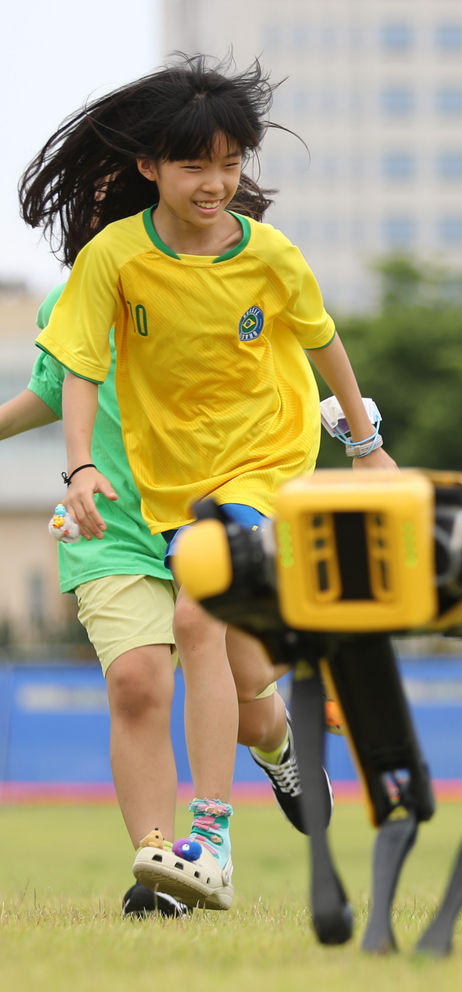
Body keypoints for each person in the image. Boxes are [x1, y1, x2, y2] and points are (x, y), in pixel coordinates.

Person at [20, 54, 396, 912]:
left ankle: (211, 840)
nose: (218, 183)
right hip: (153, 492)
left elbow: (322, 342)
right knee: (157, 680)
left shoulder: (268, 255)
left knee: (199, 616)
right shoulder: (109, 265)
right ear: (150, 168)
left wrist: (365, 438)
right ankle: (173, 858)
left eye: (232, 165)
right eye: (198, 165)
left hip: (262, 463)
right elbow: (66, 378)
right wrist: (79, 468)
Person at [0, 284, 322, 917]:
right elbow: (52, 389)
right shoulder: (66, 301)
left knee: (252, 709)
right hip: (108, 523)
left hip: (208, 509)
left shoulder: (219, 279)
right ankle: (163, 873)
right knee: (136, 681)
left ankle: (278, 744)